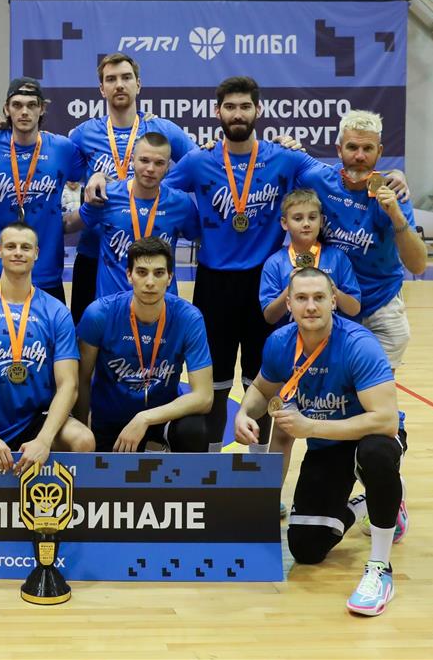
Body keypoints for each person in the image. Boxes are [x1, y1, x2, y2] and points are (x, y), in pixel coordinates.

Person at [233, 267, 408, 616]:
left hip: (370, 437)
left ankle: (379, 567)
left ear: (333, 301)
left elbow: (386, 421)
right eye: (301, 298)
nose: (310, 306)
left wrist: (310, 426)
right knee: (306, 548)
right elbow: (262, 390)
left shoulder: (359, 345)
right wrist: (243, 413)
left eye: (318, 298)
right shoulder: (280, 343)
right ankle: (366, 505)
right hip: (327, 445)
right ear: (289, 304)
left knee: (376, 453)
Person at [163, 76, 323, 450]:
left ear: (258, 110)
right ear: (217, 111)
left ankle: (258, 470)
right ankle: (210, 468)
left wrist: (389, 178)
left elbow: (332, 179)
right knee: (213, 385)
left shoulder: (283, 157)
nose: (238, 114)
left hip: (265, 284)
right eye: (230, 107)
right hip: (214, 286)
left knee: (261, 383)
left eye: (245, 106)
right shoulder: (198, 161)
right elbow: (154, 190)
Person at [0, 221, 95, 475]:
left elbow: (69, 385)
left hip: (36, 420)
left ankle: (56, 497)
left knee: (84, 440)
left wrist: (44, 440)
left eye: (25, 247)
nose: (18, 252)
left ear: (36, 253)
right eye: (11, 246)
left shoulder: (56, 311)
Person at [70, 53, 196, 321]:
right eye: (111, 79)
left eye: (126, 77)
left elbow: (203, 166)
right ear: (101, 88)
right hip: (97, 256)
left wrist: (164, 185)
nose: (119, 84)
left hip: (151, 258)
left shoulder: (162, 129)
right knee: (89, 336)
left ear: (138, 84)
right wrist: (1, 127)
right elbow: (49, 158)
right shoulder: (84, 133)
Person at [297, 110, 427, 367]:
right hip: (334, 305)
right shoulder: (317, 180)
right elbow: (279, 162)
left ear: (379, 152)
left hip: (382, 304)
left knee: (377, 386)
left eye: (368, 148)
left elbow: (418, 265)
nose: (359, 156)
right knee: (334, 384)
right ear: (339, 150)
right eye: (352, 147)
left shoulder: (392, 192)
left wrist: (396, 215)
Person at [75, 237, 213, 453]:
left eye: (158, 273)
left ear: (170, 277)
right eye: (141, 272)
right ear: (129, 275)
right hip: (109, 421)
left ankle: (176, 469)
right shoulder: (99, 315)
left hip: (160, 419)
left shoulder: (189, 318)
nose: (150, 282)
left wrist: (145, 418)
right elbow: (81, 379)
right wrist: (84, 430)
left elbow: (204, 397)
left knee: (194, 430)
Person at [0, 78, 86, 303]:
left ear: (42, 109)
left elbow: (92, 171)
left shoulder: (62, 148)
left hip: (44, 270)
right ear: (6, 109)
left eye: (32, 105)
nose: (24, 112)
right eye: (17, 105)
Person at [68, 133, 199, 298]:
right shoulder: (108, 197)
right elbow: (69, 224)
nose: (150, 169)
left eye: (159, 163)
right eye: (144, 160)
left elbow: (203, 239)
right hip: (113, 307)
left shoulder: (181, 203)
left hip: (162, 306)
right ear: (132, 161)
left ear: (168, 167)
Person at [260, 189, 361, 327]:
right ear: (284, 223)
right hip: (292, 337)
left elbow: (354, 309)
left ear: (321, 221)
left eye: (312, 217)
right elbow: (270, 317)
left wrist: (333, 290)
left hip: (333, 335)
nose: (306, 223)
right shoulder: (274, 263)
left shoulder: (338, 258)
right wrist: (290, 288)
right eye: (298, 218)